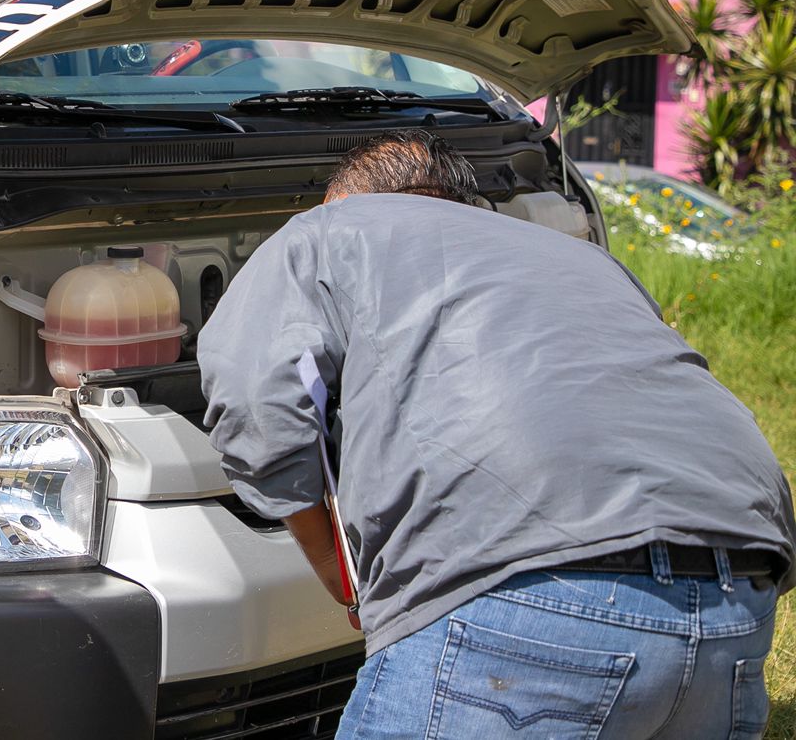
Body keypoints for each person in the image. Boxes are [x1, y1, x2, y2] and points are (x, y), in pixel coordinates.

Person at [200, 131, 795, 738]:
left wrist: (334, 565)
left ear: (345, 201)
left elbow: (254, 398)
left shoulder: (325, 232)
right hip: (738, 590)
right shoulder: (583, 257)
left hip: (532, 595)